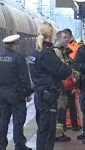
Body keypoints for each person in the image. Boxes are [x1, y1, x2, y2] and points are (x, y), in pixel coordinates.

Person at [29, 22, 72, 150]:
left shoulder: (35, 51)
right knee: (48, 130)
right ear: (51, 34)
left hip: (39, 94)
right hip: (48, 96)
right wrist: (68, 68)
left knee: (42, 129)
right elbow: (62, 70)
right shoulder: (47, 53)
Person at [0, 34, 33, 150]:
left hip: (2, 94)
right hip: (17, 94)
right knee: (18, 120)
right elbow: (24, 78)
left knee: (3, 119)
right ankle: (19, 145)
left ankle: (1, 145)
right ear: (13, 45)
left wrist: (1, 86)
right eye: (17, 44)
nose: (18, 47)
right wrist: (28, 92)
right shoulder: (18, 58)